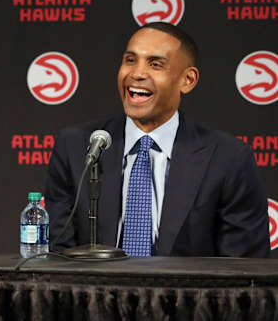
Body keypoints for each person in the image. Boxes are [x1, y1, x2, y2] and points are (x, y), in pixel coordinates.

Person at [46, 22, 269, 257]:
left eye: (155, 64)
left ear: (188, 80)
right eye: (130, 60)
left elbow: (244, 267)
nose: (137, 74)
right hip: (96, 292)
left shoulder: (228, 158)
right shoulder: (75, 146)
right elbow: (58, 255)